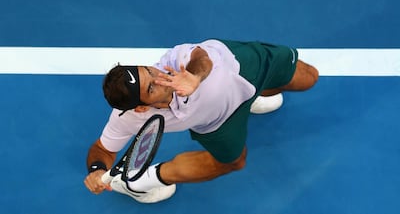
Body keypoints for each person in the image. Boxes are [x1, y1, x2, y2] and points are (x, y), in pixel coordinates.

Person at [84, 39, 318, 203]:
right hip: (218, 122)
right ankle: (140, 183)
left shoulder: (176, 60)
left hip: (246, 68)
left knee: (309, 78)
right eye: (152, 86)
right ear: (142, 107)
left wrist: (194, 77)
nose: (160, 77)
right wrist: (97, 170)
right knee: (234, 162)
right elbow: (102, 149)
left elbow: (201, 58)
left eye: (150, 71)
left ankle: (250, 97)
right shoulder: (129, 118)